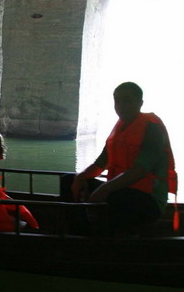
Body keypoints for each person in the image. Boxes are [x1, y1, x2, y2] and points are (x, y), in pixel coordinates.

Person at [62, 82, 176, 236]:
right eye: (117, 100)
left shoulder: (152, 129)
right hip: (120, 191)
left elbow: (140, 170)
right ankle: (79, 234)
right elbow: (100, 164)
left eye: (127, 100)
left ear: (140, 103)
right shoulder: (119, 129)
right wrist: (80, 177)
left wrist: (104, 189)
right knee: (68, 180)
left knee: (116, 197)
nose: (121, 105)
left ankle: (111, 243)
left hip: (149, 200)